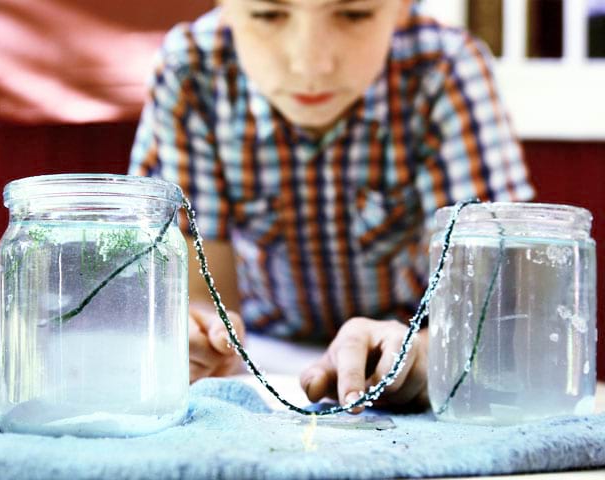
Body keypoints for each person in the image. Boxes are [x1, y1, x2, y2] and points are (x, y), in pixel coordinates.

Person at [129, 0, 534, 413]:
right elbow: (200, 294)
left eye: (354, 14)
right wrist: (202, 335)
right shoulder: (190, 68)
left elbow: (496, 300)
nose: (310, 64)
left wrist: (432, 349)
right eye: (268, 15)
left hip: (408, 351)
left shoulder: (443, 65)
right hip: (262, 360)